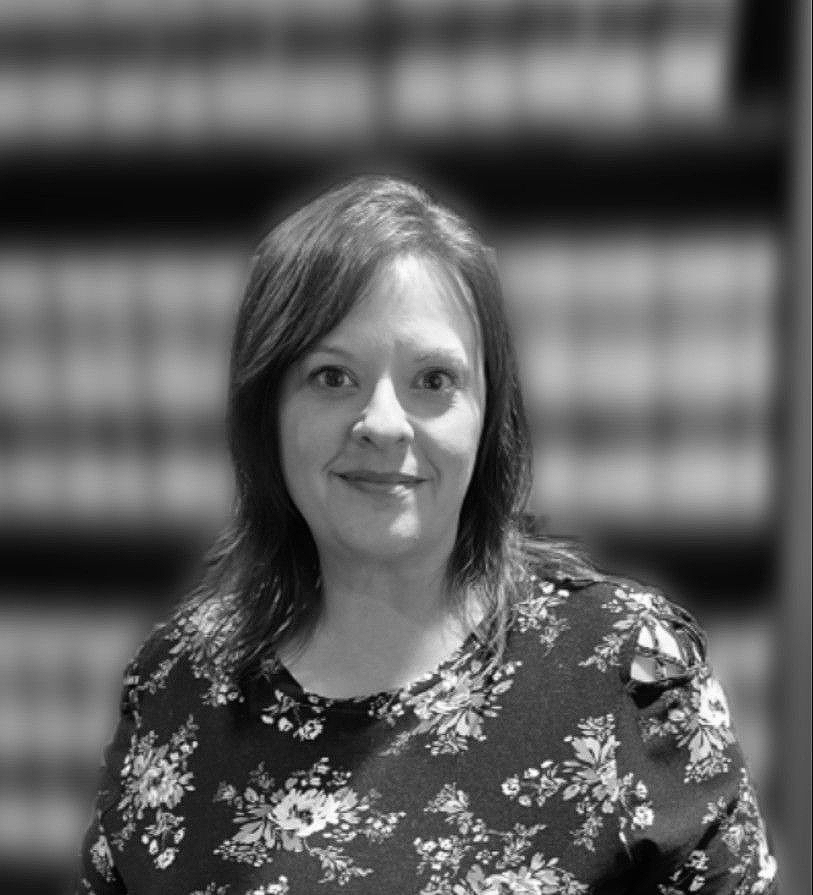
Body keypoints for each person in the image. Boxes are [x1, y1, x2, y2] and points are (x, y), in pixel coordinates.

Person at [77, 176, 777, 894]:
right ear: (266, 410)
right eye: (330, 375)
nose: (382, 422)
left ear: (487, 414)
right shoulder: (173, 683)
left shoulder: (628, 669)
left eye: (433, 379)